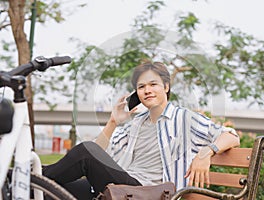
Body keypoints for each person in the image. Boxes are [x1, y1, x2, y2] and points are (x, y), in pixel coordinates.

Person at [43, 60, 240, 199]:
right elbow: (101, 152)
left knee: (84, 152)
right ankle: (29, 181)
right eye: (141, 86)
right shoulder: (136, 123)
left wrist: (206, 152)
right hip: (122, 190)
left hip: (149, 194)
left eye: (153, 84)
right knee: (54, 191)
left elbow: (231, 136)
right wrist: (113, 123)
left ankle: (28, 177)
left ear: (166, 86)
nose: (147, 90)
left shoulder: (183, 118)